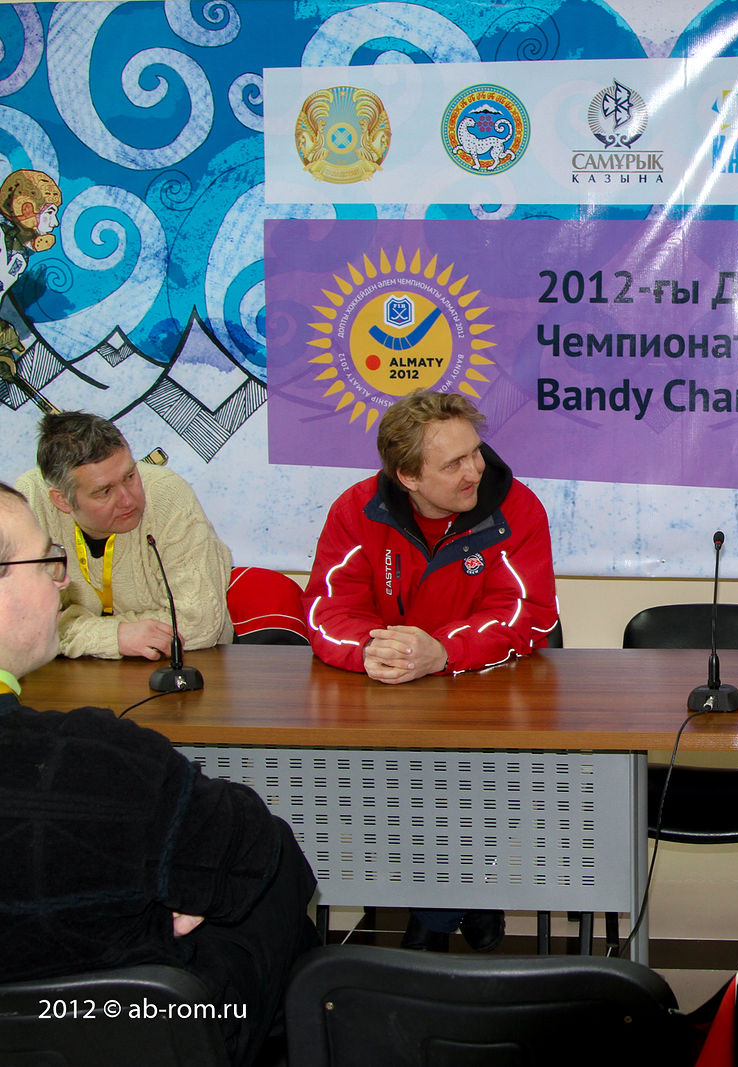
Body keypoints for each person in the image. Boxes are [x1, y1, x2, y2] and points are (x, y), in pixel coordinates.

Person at [0, 480, 318, 1066]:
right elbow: (261, 853)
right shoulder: (96, 759)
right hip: (116, 1028)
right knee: (269, 880)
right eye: (46, 562)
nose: (61, 581)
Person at [304, 388, 558, 952]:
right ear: (408, 477)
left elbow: (528, 614)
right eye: (453, 464)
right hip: (390, 703)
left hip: (488, 703)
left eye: (475, 452)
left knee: (463, 783)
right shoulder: (357, 510)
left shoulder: (516, 508)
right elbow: (327, 610)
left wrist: (442, 651)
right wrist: (370, 651)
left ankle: (432, 922)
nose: (475, 470)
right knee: (380, 785)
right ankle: (466, 904)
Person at [16, 411, 233, 660]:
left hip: (183, 664)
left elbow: (200, 623)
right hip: (68, 672)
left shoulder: (167, 495)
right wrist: (115, 636)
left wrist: (76, 630)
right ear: (62, 500)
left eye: (130, 476)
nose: (128, 500)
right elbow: (19, 623)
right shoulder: (30, 503)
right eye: (104, 492)